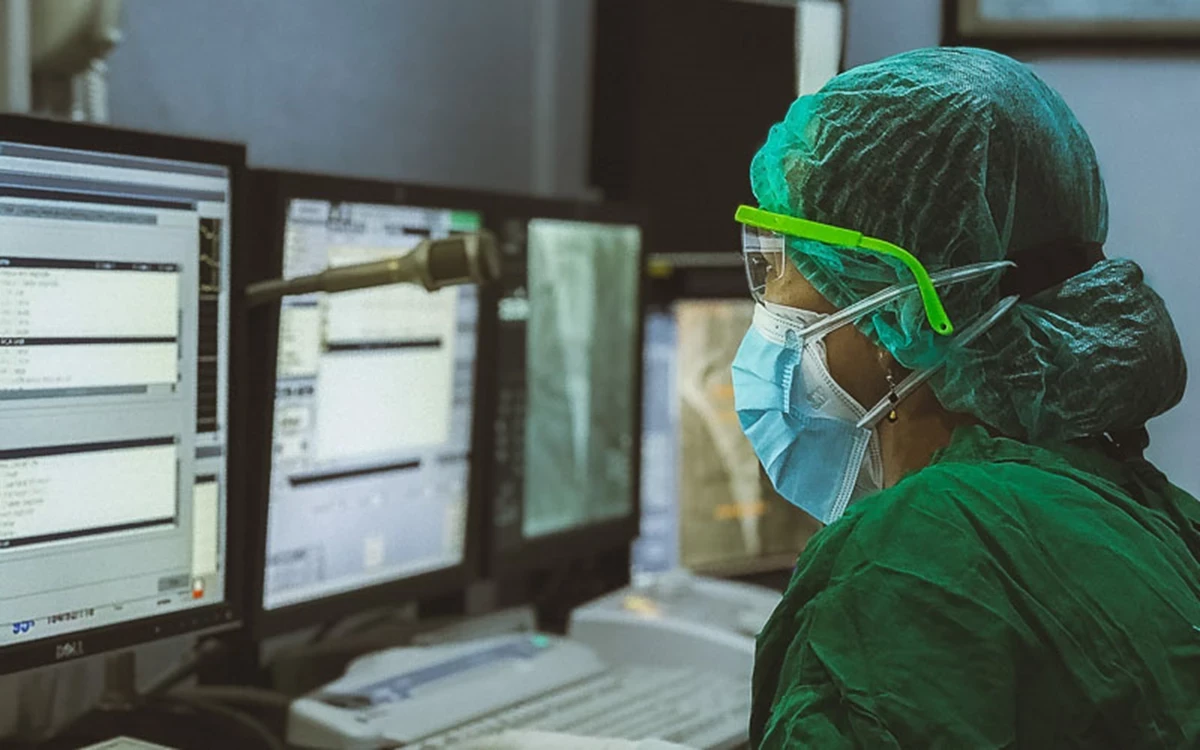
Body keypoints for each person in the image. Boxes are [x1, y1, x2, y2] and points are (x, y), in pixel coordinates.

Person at [730, 47, 1200, 748]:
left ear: (896, 311)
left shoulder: (924, 553)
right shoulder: (1134, 506)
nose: (766, 305)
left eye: (779, 264)